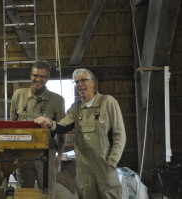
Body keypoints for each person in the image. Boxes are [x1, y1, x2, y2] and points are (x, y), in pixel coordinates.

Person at [34, 68, 126, 199]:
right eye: (76, 82)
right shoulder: (76, 108)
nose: (79, 85)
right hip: (84, 169)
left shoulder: (108, 102)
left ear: (92, 83)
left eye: (83, 80)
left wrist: (112, 161)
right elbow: (63, 126)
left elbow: (119, 135)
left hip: (105, 166)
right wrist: (49, 122)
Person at [10, 60, 66, 197]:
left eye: (43, 76)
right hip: (23, 154)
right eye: (35, 75)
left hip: (46, 155)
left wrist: (59, 156)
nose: (38, 79)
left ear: (47, 78)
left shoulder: (57, 100)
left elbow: (62, 131)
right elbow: (12, 125)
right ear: (30, 75)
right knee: (24, 192)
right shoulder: (18, 95)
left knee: (47, 192)